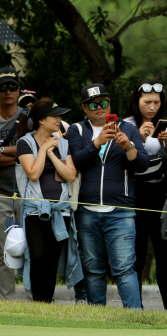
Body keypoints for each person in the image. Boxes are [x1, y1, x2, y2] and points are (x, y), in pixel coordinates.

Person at [66, 83, 149, 309]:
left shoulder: (128, 129)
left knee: (124, 268)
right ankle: (97, 317)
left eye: (103, 102)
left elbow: (142, 164)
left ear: (110, 103)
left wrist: (128, 146)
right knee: (93, 269)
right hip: (86, 211)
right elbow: (77, 162)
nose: (99, 108)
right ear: (84, 107)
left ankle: (135, 317)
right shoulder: (77, 130)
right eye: (93, 104)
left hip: (121, 211)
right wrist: (97, 142)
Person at [14, 98, 83, 302]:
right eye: (55, 116)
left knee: (52, 260)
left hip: (60, 211)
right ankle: (38, 301)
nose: (59, 120)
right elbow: (33, 174)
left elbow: (70, 175)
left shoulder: (62, 143)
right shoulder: (24, 143)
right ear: (42, 120)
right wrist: (43, 149)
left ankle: (48, 302)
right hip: (35, 211)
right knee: (37, 257)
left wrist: (52, 153)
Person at [124, 79, 167, 310]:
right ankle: (136, 307)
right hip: (136, 195)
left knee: (165, 254)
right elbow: (122, 160)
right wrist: (141, 139)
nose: (152, 107)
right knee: (138, 253)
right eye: (147, 102)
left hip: (161, 196)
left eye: (156, 102)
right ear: (137, 102)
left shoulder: (163, 126)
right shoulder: (127, 125)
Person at [0, 67, 25, 300]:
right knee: (2, 252)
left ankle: (35, 299)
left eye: (12, 86)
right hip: (1, 195)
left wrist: (3, 151)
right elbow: (24, 153)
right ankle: (6, 303)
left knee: (33, 251)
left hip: (29, 194)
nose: (7, 91)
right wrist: (19, 154)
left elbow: (34, 153)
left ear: (19, 89)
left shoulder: (28, 117)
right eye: (2, 87)